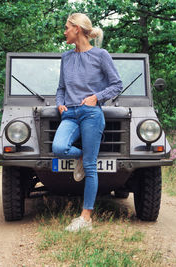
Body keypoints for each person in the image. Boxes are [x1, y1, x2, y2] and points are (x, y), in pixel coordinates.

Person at [52, 13, 123, 232]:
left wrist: (96, 97)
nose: (64, 32)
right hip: (70, 114)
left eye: (66, 27)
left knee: (91, 167)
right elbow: (61, 88)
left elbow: (117, 85)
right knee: (59, 148)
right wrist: (59, 103)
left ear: (78, 29)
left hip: (92, 114)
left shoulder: (101, 55)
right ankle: (82, 156)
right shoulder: (66, 57)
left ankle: (85, 218)